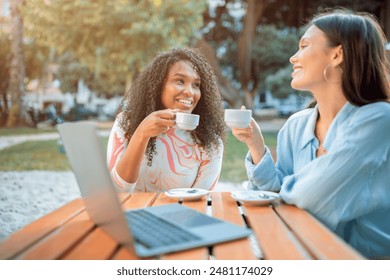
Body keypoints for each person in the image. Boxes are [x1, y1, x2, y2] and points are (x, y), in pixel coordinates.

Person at [232, 9, 390, 258]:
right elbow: (275, 194)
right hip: (299, 249)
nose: (293, 58)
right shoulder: (296, 125)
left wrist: (281, 192)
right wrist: (257, 146)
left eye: (304, 46)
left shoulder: (379, 119)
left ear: (337, 54)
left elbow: (310, 196)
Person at [107, 48, 226, 193]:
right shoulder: (126, 123)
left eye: (196, 85)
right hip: (131, 214)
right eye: (180, 81)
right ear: (158, 86)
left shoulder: (210, 143)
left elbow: (199, 201)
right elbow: (116, 191)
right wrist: (141, 134)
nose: (190, 92)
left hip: (178, 215)